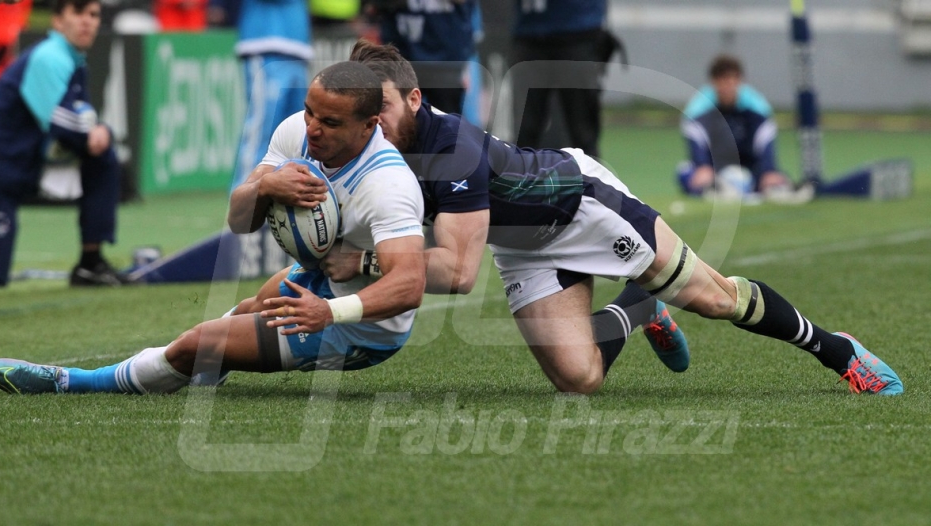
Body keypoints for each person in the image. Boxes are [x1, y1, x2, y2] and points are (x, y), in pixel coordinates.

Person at [332, 40, 900, 395]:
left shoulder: (449, 146)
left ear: (412, 99)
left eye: (381, 107)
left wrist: (361, 258)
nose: (372, 121)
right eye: (364, 111)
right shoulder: (369, 145)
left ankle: (839, 351)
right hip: (524, 246)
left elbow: (457, 273)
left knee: (717, 299)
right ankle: (638, 305)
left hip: (581, 206)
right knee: (578, 381)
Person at [0, 61, 427, 395]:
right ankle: (197, 372)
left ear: (370, 125)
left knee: (198, 342)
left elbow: (408, 285)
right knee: (249, 307)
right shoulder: (298, 130)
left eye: (330, 123)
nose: (313, 128)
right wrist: (265, 186)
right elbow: (239, 220)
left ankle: (73, 381)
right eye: (310, 112)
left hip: (361, 327)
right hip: (320, 279)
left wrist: (328, 312)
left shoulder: (387, 183)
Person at [0, 0, 126, 287]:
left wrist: (97, 133)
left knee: (103, 158)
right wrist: (98, 131)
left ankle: (90, 263)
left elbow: (76, 120)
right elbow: (59, 121)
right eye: (78, 12)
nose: (87, 21)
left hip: (22, 168)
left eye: (93, 14)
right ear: (58, 21)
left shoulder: (74, 59)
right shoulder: (50, 56)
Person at [677, 55, 798, 200]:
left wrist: (768, 170)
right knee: (685, 171)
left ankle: (768, 188)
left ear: (740, 81)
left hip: (748, 166)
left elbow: (764, 139)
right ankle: (716, 189)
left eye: (733, 80)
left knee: (775, 177)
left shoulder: (757, 108)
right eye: (723, 80)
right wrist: (703, 166)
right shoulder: (698, 110)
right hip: (714, 168)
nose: (728, 86)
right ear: (713, 82)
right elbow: (696, 141)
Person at [510, 0, 615, 158]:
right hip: (531, 32)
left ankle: (590, 179)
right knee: (525, 130)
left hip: (578, 32)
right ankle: (520, 178)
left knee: (583, 130)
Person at [228, 0, 312, 189]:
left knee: (297, 135)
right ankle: (244, 202)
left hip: (298, 45)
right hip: (265, 42)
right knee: (261, 129)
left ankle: (285, 203)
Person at [366, 0, 476, 114]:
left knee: (446, 121)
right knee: (399, 120)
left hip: (445, 61)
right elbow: (373, 7)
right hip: (402, 56)